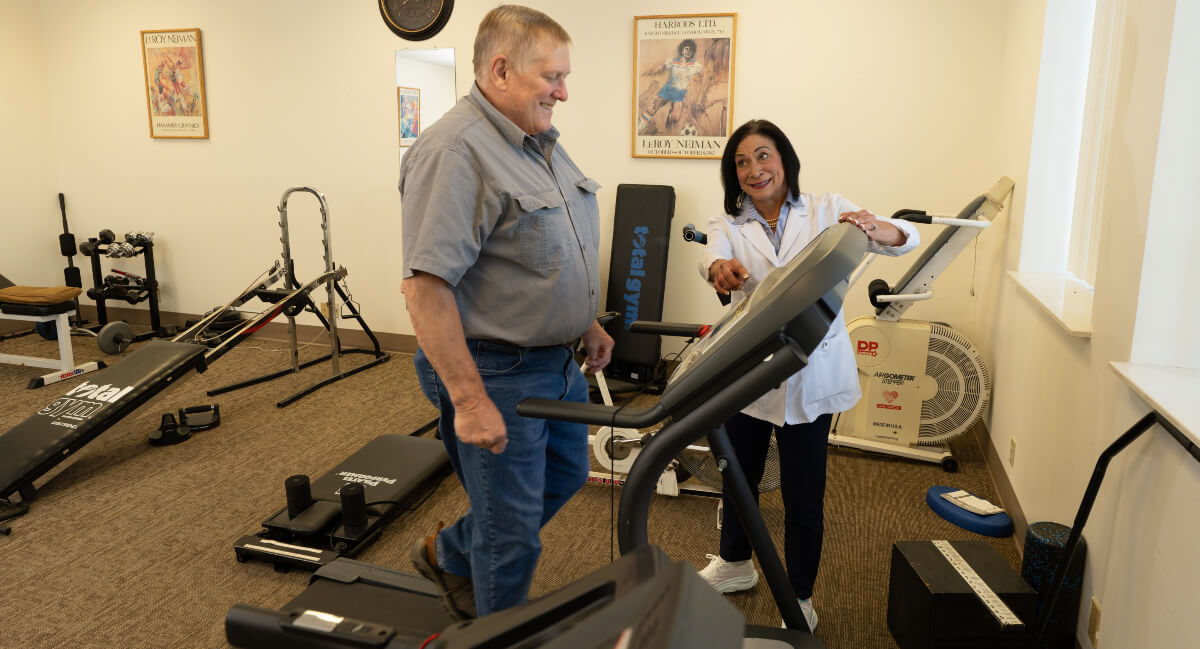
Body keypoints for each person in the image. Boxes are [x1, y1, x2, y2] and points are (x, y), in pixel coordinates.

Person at [398, 5, 613, 621]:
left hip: (558, 362)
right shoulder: (456, 151)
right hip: (498, 370)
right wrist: (468, 401)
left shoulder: (537, 143)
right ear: (501, 70)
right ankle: (494, 631)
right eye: (553, 77)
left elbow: (543, 249)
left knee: (568, 473)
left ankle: (449, 552)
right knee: (512, 533)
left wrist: (586, 321)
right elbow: (427, 290)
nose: (564, 92)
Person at [695, 119, 919, 631]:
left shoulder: (825, 208)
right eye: (742, 162)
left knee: (802, 496)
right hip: (751, 371)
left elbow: (903, 238)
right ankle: (734, 564)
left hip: (811, 369)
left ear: (785, 159)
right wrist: (718, 270)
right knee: (738, 478)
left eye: (764, 155)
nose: (755, 169)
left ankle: (799, 594)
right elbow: (712, 257)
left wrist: (873, 226)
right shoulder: (728, 221)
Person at [638, 39, 703, 134]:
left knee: (676, 118)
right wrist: (650, 72)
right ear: (682, 50)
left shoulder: (695, 64)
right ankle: (639, 128)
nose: (688, 51)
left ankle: (669, 117)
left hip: (680, 93)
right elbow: (661, 68)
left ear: (693, 52)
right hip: (668, 90)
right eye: (686, 49)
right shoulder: (673, 61)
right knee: (652, 108)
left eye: (691, 50)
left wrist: (699, 76)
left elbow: (703, 72)